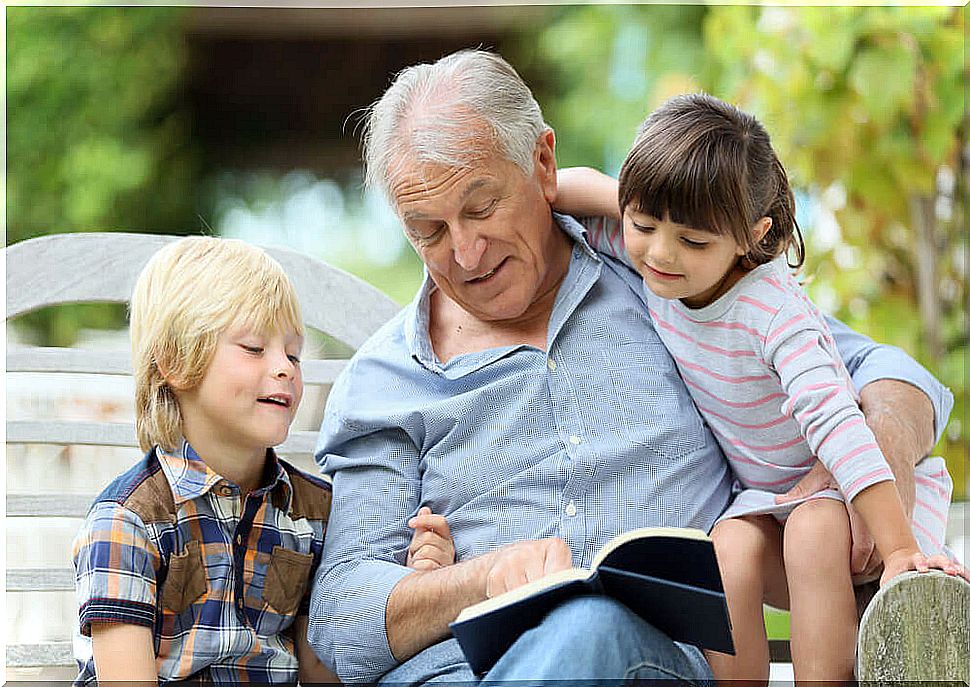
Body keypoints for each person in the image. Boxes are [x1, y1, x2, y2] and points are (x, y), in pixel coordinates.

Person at [307, 49, 954, 685]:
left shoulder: (668, 280)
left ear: (543, 162)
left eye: (481, 207)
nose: (466, 252)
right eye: (429, 230)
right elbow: (343, 621)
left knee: (591, 626)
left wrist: (882, 459)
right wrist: (476, 578)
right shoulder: (384, 383)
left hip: (652, 660)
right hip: (460, 671)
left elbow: (892, 376)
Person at [553, 93, 964, 682]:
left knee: (813, 531)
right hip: (768, 502)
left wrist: (899, 548)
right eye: (643, 225)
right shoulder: (653, 252)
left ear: (752, 234)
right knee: (727, 550)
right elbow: (572, 189)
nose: (662, 255)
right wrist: (536, 189)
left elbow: (836, 425)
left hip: (854, 502)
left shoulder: (774, 314)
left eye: (693, 241)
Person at [71, 237, 455, 684]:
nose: (285, 368)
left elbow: (321, 671)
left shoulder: (314, 514)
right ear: (176, 362)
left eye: (293, 353)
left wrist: (419, 584)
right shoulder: (129, 521)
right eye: (254, 348)